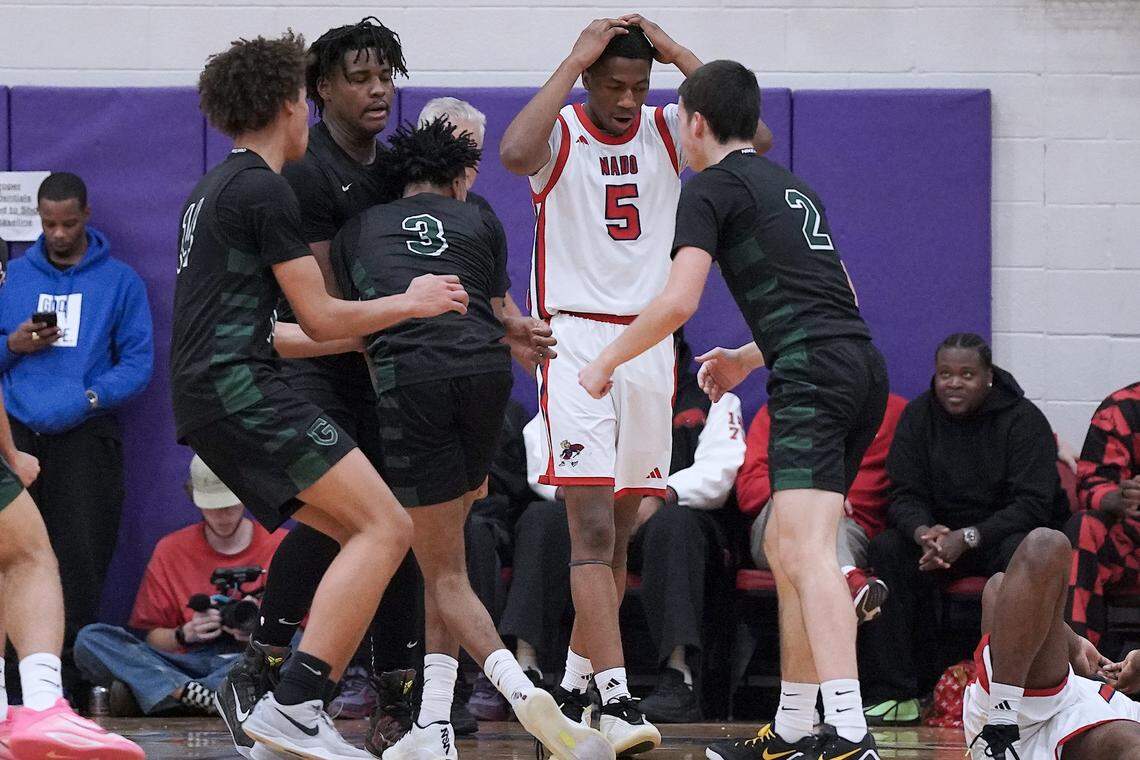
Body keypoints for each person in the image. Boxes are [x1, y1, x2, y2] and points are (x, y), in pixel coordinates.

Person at [577, 60, 887, 759]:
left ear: (694, 122)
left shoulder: (709, 187)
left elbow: (679, 301)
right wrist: (749, 357)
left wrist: (605, 360)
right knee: (785, 545)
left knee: (805, 550)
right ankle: (796, 728)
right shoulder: (793, 186)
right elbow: (844, 296)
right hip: (853, 363)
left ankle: (850, 734)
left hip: (813, 372)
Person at [173, 32, 469, 760]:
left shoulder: (215, 187)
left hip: (217, 390)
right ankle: (294, 702)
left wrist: (369, 335)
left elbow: (278, 329)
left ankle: (290, 697)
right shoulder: (265, 188)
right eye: (305, 102)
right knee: (388, 527)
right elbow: (320, 314)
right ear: (288, 104)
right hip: (239, 388)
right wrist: (414, 300)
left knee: (357, 529)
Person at [501, 16, 771, 752]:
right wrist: (574, 56)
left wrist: (681, 55)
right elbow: (511, 151)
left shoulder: (664, 128)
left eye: (638, 85)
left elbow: (757, 142)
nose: (626, 98)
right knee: (587, 527)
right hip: (576, 336)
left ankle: (576, 683)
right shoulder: (559, 130)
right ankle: (618, 699)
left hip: (649, 343)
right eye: (612, 84)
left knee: (620, 530)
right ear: (590, 79)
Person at [333, 118, 612, 760]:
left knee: (444, 570)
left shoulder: (355, 231)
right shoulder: (480, 220)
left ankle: (528, 700)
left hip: (414, 380)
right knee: (447, 554)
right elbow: (502, 316)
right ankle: (432, 724)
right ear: (460, 177)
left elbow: (351, 325)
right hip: (486, 377)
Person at [496, 334, 746, 725]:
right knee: (539, 521)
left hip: (665, 517)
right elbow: (541, 454)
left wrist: (661, 495)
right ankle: (529, 668)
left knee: (676, 528)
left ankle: (677, 677)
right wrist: (596, 504)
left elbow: (720, 470)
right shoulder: (582, 381)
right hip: (592, 513)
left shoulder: (709, 397)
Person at [858, 333, 1071, 727]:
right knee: (889, 548)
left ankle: (1022, 692)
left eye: (967, 374)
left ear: (988, 377)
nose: (954, 383)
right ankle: (896, 693)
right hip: (939, 541)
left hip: (998, 535)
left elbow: (1033, 505)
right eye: (945, 374)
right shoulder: (919, 416)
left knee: (1022, 554)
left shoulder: (1023, 421)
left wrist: (970, 536)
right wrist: (922, 531)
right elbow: (902, 492)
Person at [0, 171, 154, 691]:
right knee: (10, 555)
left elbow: (137, 363)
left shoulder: (121, 281)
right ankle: (9, 681)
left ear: (87, 215)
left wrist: (88, 398)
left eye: (68, 223)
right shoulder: (12, 276)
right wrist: (12, 346)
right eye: (48, 225)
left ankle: (62, 683)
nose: (59, 234)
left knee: (80, 558)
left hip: (86, 435)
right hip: (16, 434)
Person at [73, 456, 286, 716]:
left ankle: (170, 695)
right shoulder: (171, 549)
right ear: (195, 499)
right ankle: (212, 696)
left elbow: (304, 632)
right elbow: (152, 638)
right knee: (91, 639)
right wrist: (184, 634)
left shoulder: (280, 546)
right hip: (188, 662)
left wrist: (261, 628)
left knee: (294, 649)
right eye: (212, 507)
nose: (222, 516)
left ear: (246, 498)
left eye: (230, 505)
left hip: (253, 660)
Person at [963, 528, 1140, 760]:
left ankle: (1001, 728)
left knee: (1128, 741)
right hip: (1044, 699)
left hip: (1111, 725)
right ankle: (1001, 727)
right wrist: (1073, 645)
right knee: (1041, 549)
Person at [739, 393, 908, 624]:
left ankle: (846, 577)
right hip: (777, 528)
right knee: (809, 500)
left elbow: (911, 486)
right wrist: (817, 490)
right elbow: (748, 492)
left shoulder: (895, 412)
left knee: (824, 511)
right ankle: (847, 576)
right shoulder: (781, 408)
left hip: (850, 530)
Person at [1064, 381, 1140, 647]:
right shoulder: (1123, 408)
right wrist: (1116, 498)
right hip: (1132, 545)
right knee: (1084, 526)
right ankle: (1080, 666)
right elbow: (1092, 483)